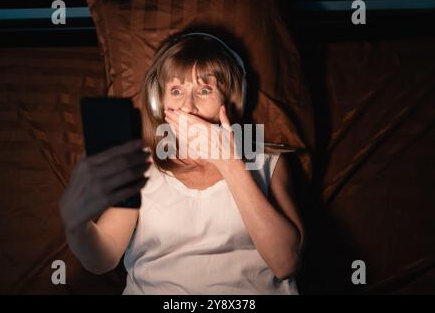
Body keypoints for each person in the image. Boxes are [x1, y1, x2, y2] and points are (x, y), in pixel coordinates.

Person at [59, 32, 304, 295]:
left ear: (230, 101)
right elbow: (102, 259)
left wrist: (230, 165)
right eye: (176, 90)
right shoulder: (140, 167)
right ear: (158, 103)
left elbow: (286, 263)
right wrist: (77, 226)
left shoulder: (267, 163)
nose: (188, 106)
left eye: (204, 89)